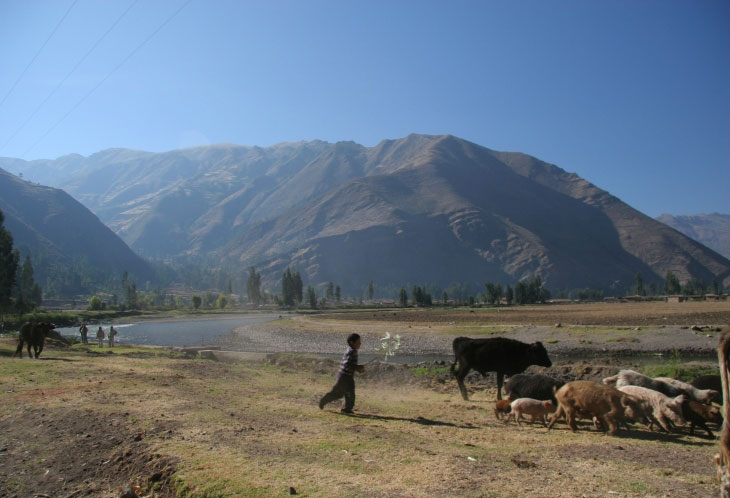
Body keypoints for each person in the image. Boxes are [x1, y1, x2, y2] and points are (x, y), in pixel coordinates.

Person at [319, 333, 364, 414]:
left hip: (348, 376)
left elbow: (350, 365)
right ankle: (324, 400)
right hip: (344, 377)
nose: (360, 343)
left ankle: (347, 409)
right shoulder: (352, 351)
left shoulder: (353, 350)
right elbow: (347, 365)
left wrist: (357, 368)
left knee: (350, 393)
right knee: (338, 394)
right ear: (352, 342)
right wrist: (357, 368)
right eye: (358, 341)